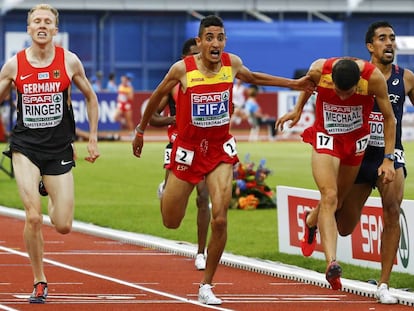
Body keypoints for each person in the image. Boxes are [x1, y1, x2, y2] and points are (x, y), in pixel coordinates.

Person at [132, 15, 314, 305]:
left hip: (219, 150)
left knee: (220, 218)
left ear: (224, 41)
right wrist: (140, 131)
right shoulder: (182, 69)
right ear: (200, 41)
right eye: (210, 38)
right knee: (171, 221)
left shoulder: (233, 63)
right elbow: (156, 97)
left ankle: (206, 285)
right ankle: (165, 192)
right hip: (187, 150)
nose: (215, 43)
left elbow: (255, 78)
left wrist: (294, 83)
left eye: (220, 37)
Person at [0, 3, 100, 303]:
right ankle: (39, 280)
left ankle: (48, 183)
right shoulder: (14, 65)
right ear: (29, 29)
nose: (42, 25)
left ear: (55, 29)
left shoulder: (69, 61)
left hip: (58, 148)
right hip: (25, 148)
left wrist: (92, 138)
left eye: (47, 21)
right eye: (36, 21)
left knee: (63, 225)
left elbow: (91, 99)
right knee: (33, 217)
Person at [276, 57, 396, 291]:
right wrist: (297, 110)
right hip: (326, 136)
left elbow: (389, 118)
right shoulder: (319, 69)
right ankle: (331, 263)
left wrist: (388, 158)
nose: (342, 97)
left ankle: (311, 221)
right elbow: (308, 85)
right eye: (338, 92)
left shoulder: (373, 78)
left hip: (355, 141)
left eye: (348, 92)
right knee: (329, 195)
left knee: (339, 199)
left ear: (358, 82)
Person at [336, 21, 414, 304]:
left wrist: (390, 158)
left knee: (392, 210)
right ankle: (317, 215)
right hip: (359, 155)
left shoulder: (406, 78)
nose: (389, 43)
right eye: (383, 38)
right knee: (344, 226)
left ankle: (384, 284)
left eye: (392, 38)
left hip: (391, 155)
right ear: (370, 46)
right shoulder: (357, 73)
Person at [149, 38, 210, 271]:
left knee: (204, 198)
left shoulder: (210, 80)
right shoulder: (174, 84)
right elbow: (153, 116)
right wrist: (174, 119)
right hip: (177, 147)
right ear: (184, 59)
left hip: (204, 148)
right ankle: (165, 192)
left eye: (200, 54)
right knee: (170, 218)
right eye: (194, 54)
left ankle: (201, 252)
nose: (198, 58)